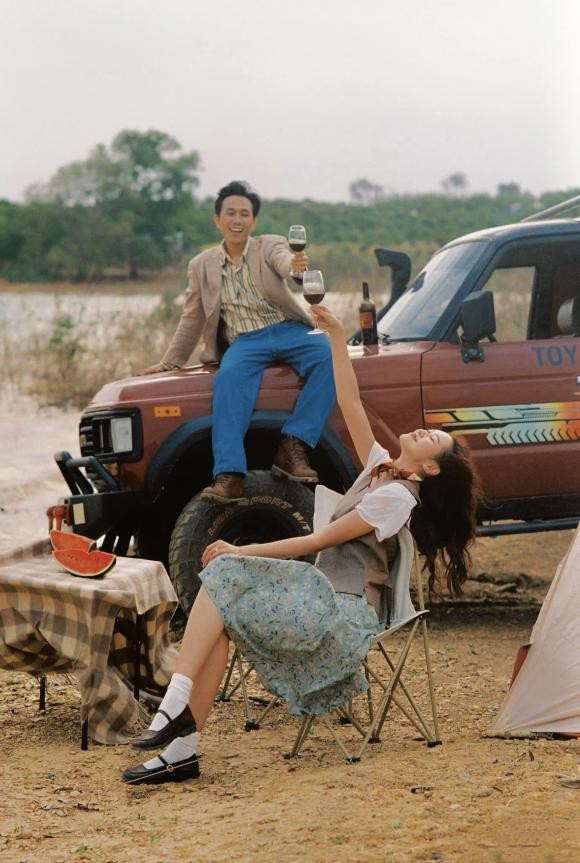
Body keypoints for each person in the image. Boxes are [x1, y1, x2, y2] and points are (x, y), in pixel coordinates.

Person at [123, 305, 481, 785]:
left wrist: (240, 550)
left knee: (223, 575)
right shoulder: (381, 469)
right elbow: (349, 401)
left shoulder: (396, 498)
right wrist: (336, 335)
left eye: (431, 437)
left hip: (340, 616)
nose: (421, 430)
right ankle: (181, 745)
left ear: (431, 468)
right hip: (319, 597)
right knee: (219, 599)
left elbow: (317, 540)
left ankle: (174, 712)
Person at [137, 180, 336, 503]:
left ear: (253, 221)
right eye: (230, 213)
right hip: (245, 342)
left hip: (287, 329)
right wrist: (169, 363)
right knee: (227, 379)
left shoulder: (269, 245)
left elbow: (285, 261)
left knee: (328, 356)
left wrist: (295, 266)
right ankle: (230, 476)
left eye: (244, 214)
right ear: (217, 219)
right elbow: (192, 317)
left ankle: (294, 444)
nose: (237, 220)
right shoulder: (201, 265)